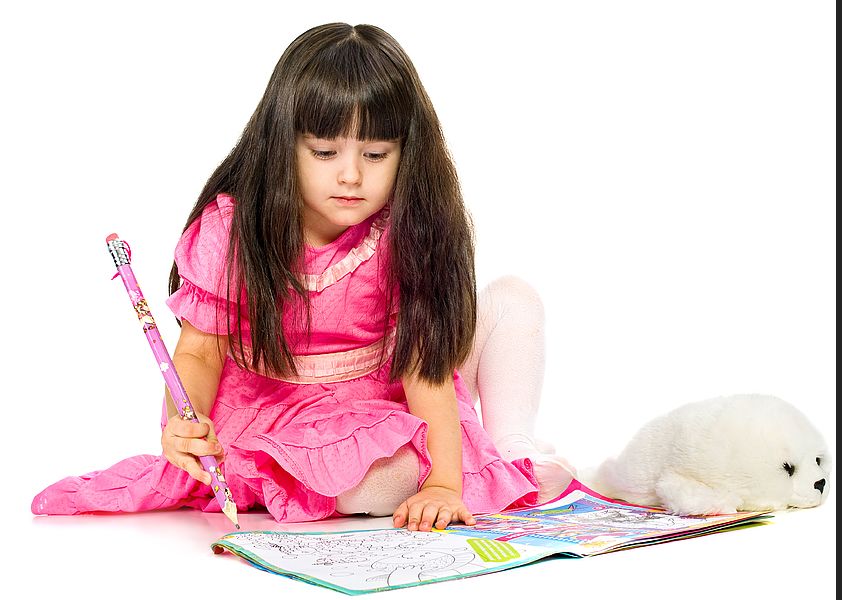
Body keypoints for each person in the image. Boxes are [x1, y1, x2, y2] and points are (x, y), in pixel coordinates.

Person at [31, 23, 575, 531]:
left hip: (392, 389)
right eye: (324, 151)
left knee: (514, 301)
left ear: (407, 154)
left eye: (376, 153)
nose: (351, 174)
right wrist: (183, 425)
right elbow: (198, 355)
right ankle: (455, 462)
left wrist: (444, 483)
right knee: (370, 483)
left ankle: (510, 449)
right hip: (283, 413)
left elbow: (424, 363)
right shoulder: (235, 228)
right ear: (282, 143)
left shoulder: (403, 227)